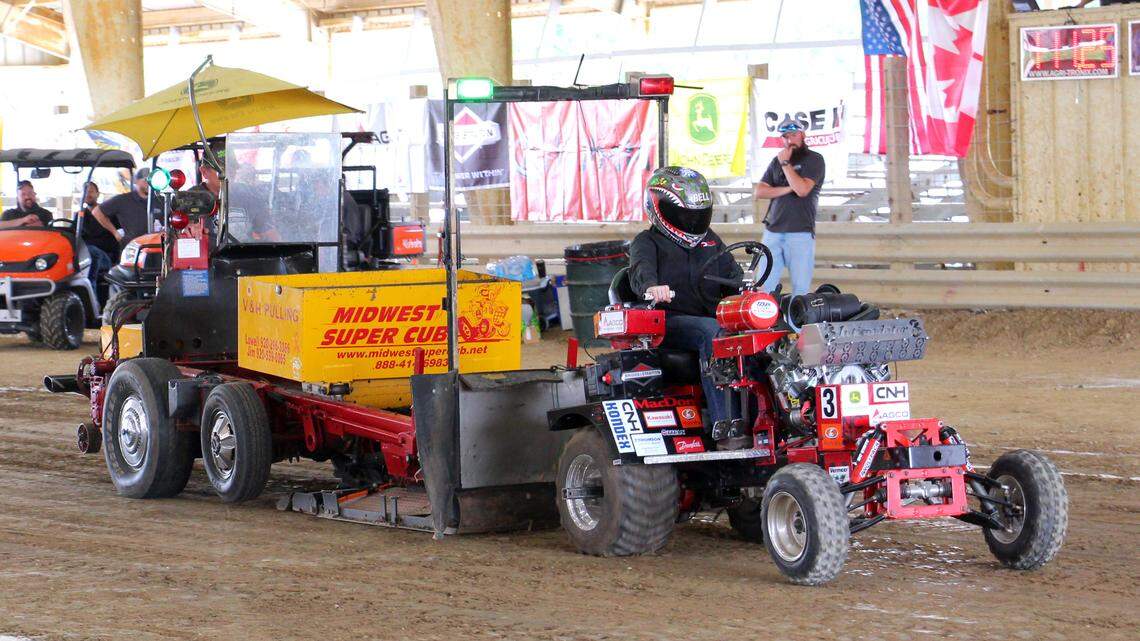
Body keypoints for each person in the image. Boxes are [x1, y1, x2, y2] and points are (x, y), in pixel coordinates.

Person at [629, 166, 742, 430]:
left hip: (712, 319)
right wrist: (652, 287)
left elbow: (733, 276)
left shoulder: (711, 242)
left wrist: (746, 291)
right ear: (658, 209)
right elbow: (640, 273)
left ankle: (783, 417)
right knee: (711, 331)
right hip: (667, 322)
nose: (691, 222)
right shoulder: (646, 242)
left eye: (697, 216)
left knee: (769, 328)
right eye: (683, 215)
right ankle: (726, 424)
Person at [754, 121, 825, 296]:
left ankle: (796, 324)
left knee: (800, 289)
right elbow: (760, 191)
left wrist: (786, 164)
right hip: (773, 231)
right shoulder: (776, 161)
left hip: (800, 232)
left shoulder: (814, 159)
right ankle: (764, 322)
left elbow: (802, 189)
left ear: (803, 135)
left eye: (793, 135)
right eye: (785, 136)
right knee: (762, 286)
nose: (789, 140)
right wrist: (787, 189)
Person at [91, 168, 162, 247]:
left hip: (158, 248)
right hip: (132, 250)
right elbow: (97, 212)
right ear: (136, 181)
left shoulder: (161, 201)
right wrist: (115, 233)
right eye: (146, 180)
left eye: (152, 181)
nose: (149, 184)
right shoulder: (123, 200)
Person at [76, 182, 115, 301]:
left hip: (104, 257)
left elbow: (114, 239)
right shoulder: (80, 216)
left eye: (91, 191)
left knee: (92, 252)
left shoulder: (106, 214)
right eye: (86, 192)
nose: (88, 194)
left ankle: (92, 300)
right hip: (84, 256)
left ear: (97, 194)